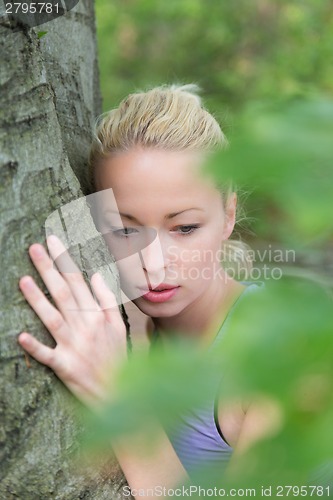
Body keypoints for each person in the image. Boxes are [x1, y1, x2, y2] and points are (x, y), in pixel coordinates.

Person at [17, 84, 269, 496]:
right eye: (124, 229)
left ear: (228, 215)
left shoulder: (280, 354)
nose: (153, 264)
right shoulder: (130, 332)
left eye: (184, 228)